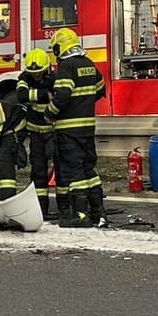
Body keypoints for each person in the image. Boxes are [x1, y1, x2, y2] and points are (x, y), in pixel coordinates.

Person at [46, 28, 107, 228]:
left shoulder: (66, 66)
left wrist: (50, 113)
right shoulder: (88, 64)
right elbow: (100, 89)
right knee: (89, 168)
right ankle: (98, 212)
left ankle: (80, 215)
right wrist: (84, 102)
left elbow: (62, 95)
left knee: (74, 172)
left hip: (68, 129)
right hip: (87, 128)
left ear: (60, 47)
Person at [16, 47, 61, 219]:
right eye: (33, 74)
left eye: (39, 73)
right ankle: (41, 209)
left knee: (61, 170)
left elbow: (59, 97)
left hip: (53, 132)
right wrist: (43, 94)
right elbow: (21, 95)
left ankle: (64, 208)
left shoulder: (55, 78)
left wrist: (34, 96)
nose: (36, 76)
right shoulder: (24, 77)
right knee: (38, 172)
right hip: (35, 133)